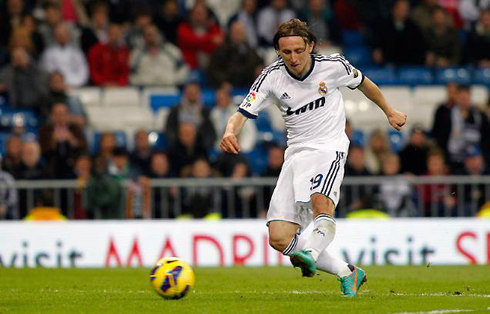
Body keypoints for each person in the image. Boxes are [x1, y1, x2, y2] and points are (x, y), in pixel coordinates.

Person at [220, 19, 407, 296]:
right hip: (296, 154)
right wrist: (229, 131)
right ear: (278, 52)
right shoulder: (271, 77)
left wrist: (389, 111)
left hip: (329, 147)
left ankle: (309, 251)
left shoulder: (334, 66)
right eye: (286, 52)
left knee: (322, 203)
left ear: (311, 46)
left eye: (298, 50)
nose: (293, 58)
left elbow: (365, 84)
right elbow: (243, 111)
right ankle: (348, 273)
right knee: (279, 237)